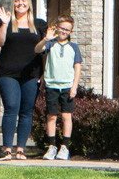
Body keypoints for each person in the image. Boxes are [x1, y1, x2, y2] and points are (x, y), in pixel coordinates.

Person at [0, 0, 48, 160]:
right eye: (17, 1)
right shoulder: (5, 22)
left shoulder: (38, 24)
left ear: (29, 3)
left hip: (31, 73)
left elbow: (45, 49)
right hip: (7, 72)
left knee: (26, 111)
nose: (20, 3)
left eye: (23, 0)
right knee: (11, 107)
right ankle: (7, 148)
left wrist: (44, 74)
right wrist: (4, 24)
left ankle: (21, 149)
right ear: (13, 4)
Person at [35, 15, 83, 160]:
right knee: (51, 116)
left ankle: (65, 147)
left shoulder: (74, 47)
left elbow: (77, 67)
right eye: (62, 28)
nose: (64, 31)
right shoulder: (51, 44)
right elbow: (37, 50)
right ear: (57, 28)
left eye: (67, 30)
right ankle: (51, 146)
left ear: (71, 31)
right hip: (52, 85)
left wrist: (74, 86)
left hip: (67, 86)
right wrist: (46, 39)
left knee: (67, 116)